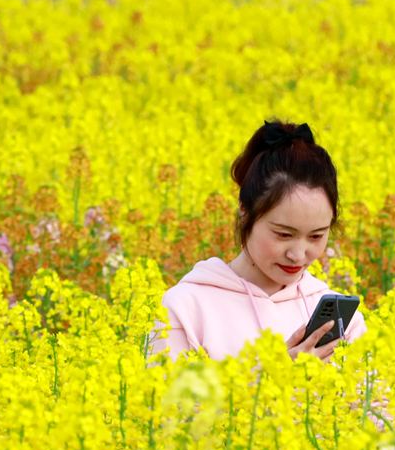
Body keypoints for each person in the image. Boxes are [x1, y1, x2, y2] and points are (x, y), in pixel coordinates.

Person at [156, 120, 366, 361]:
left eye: (316, 236)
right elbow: (164, 398)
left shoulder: (342, 321)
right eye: (283, 234)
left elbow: (375, 398)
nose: (298, 255)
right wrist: (274, 377)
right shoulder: (186, 308)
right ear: (244, 210)